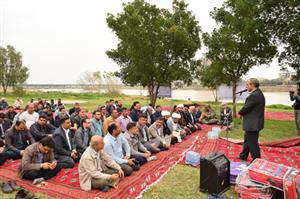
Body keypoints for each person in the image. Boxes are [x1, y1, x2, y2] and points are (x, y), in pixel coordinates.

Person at [237, 78, 265, 161]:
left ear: (252, 85)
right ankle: (243, 155)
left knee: (252, 143)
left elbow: (247, 107)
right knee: (247, 140)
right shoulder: (258, 92)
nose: (246, 86)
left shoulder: (254, 95)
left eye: (247, 84)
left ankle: (256, 160)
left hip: (253, 123)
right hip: (255, 122)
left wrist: (240, 113)